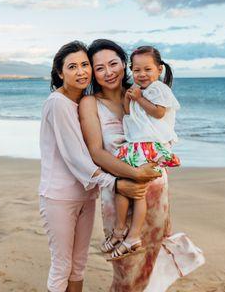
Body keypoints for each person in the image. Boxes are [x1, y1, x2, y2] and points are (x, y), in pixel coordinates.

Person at [79, 39, 204, 292]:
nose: (109, 72)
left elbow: (163, 124)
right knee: (127, 270)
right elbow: (96, 152)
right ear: (93, 72)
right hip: (122, 188)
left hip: (155, 187)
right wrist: (133, 174)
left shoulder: (144, 91)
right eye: (99, 67)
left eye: (113, 64)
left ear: (124, 65)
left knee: (151, 258)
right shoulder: (90, 102)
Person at [39, 41, 160, 292]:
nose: (81, 71)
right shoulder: (58, 103)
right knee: (62, 265)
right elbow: (77, 156)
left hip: (87, 192)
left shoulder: (79, 100)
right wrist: (117, 181)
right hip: (60, 195)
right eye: (73, 67)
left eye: (84, 65)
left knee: (79, 264)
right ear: (60, 73)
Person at [107, 45, 181, 260]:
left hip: (150, 145)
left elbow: (158, 113)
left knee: (137, 192)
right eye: (136, 70)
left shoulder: (159, 89)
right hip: (136, 145)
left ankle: (132, 235)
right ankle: (121, 230)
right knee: (123, 189)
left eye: (147, 69)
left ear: (159, 69)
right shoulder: (138, 91)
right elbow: (130, 114)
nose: (141, 74)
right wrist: (129, 99)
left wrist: (139, 98)